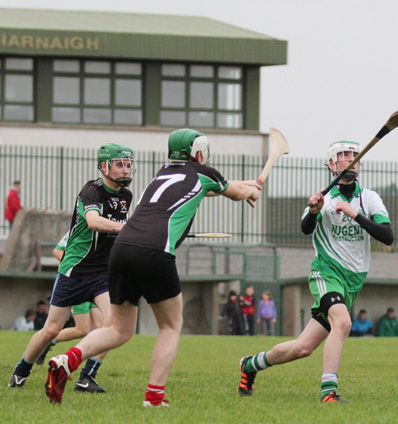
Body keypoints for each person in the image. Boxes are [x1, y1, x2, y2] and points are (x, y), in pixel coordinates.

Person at [44, 128, 261, 405]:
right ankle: (154, 398)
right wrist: (249, 190)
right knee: (171, 326)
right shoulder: (206, 173)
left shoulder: (162, 173)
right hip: (155, 252)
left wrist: (246, 187)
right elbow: (233, 191)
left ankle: (67, 359)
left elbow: (223, 186)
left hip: (121, 249)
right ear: (198, 152)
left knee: (119, 330)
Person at [238, 140, 394, 402]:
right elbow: (306, 228)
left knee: (302, 348)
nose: (350, 160)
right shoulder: (324, 198)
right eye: (344, 156)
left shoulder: (370, 198)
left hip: (352, 282)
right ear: (332, 164)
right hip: (326, 274)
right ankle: (328, 393)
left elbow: (387, 236)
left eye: (354, 155)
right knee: (343, 323)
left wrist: (354, 214)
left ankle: (250, 365)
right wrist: (313, 210)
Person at [8, 143, 134, 394]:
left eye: (128, 164)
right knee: (51, 330)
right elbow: (94, 222)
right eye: (119, 164)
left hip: (102, 274)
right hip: (74, 270)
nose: (125, 169)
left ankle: (87, 376)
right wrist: (126, 228)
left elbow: (118, 232)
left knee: (114, 327)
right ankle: (21, 372)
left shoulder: (126, 197)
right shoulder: (92, 191)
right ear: (104, 167)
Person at [36, 233, 104, 372]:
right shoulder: (80, 228)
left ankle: (89, 373)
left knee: (104, 328)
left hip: (98, 283)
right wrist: (78, 267)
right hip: (80, 283)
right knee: (82, 330)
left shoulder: (106, 230)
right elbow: (57, 250)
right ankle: (48, 342)